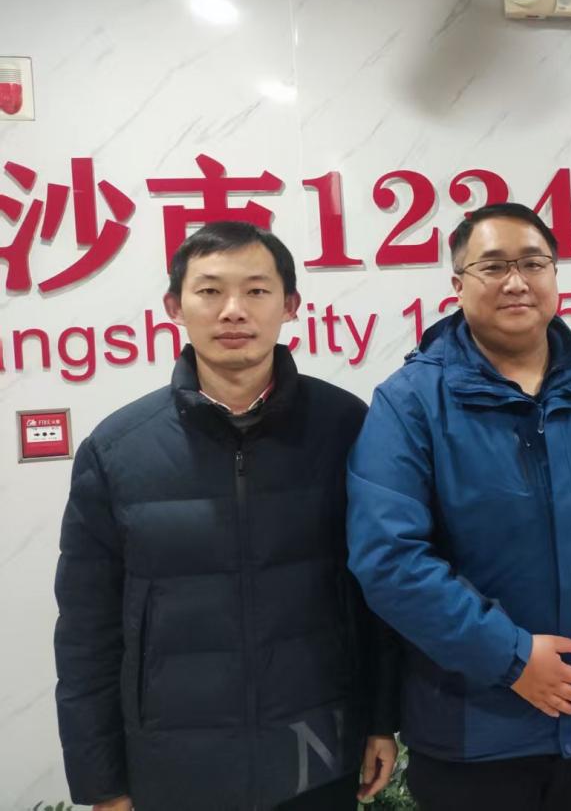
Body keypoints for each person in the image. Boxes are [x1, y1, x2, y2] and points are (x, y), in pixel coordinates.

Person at [54, 221, 398, 811]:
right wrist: (101, 782)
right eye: (210, 291)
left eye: (257, 290)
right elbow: (86, 630)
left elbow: (377, 591)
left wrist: (381, 720)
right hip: (174, 766)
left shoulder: (346, 426)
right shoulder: (117, 450)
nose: (233, 310)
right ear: (174, 307)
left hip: (315, 752)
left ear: (290, 306)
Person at [346, 202, 571, 811]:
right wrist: (512, 658)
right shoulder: (411, 401)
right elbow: (388, 560)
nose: (516, 282)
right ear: (458, 285)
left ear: (555, 275)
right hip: (473, 736)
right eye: (492, 267)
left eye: (533, 263)